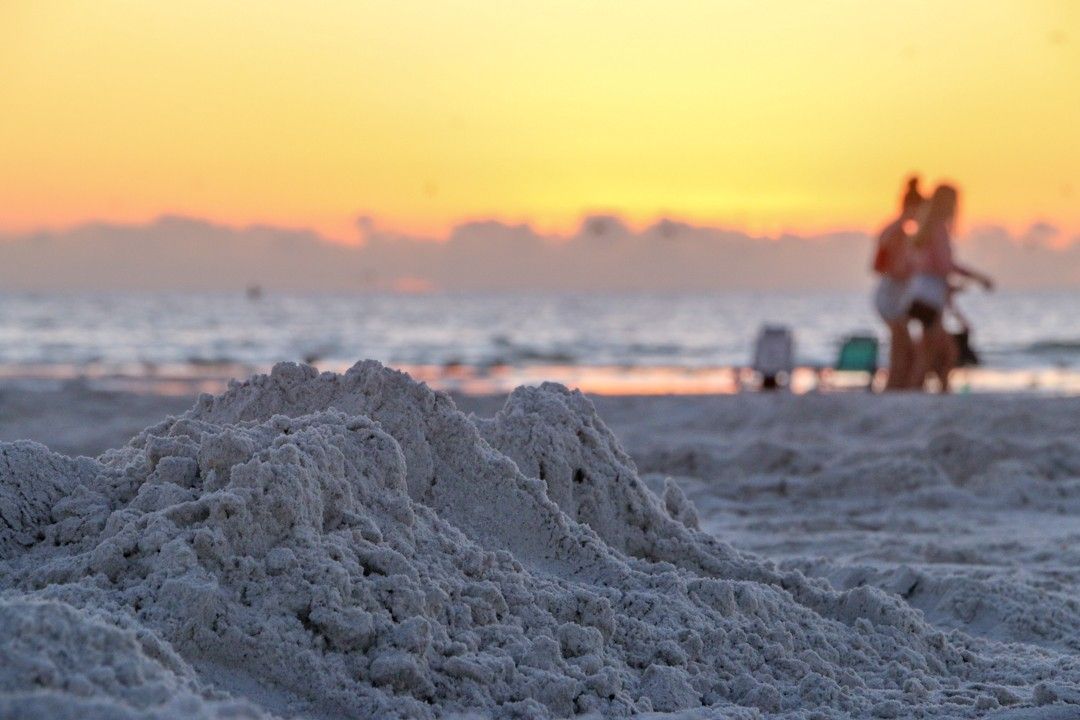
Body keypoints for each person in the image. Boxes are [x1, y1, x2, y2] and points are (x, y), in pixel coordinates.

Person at [904, 184, 993, 392]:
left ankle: (924, 392)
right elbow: (946, 266)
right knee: (943, 353)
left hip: (920, 295)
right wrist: (978, 278)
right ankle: (935, 392)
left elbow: (931, 267)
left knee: (931, 352)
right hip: (929, 297)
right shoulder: (938, 229)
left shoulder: (926, 229)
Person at [872, 177, 922, 390]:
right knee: (900, 345)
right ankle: (895, 386)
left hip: (896, 294)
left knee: (902, 345)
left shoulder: (901, 231)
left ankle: (899, 386)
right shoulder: (895, 232)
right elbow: (879, 267)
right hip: (890, 294)